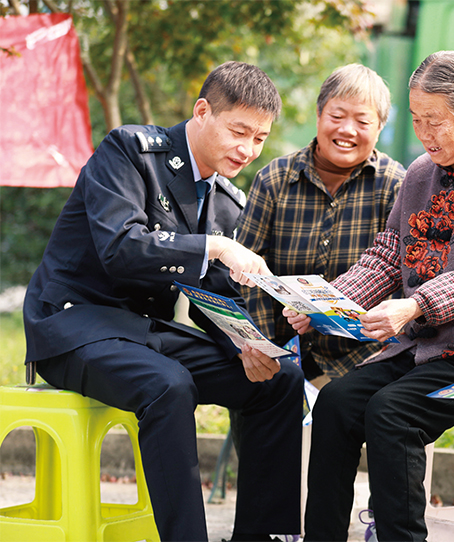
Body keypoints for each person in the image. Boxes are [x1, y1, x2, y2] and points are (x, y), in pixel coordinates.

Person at [23, 61, 304, 541]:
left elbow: (209, 296)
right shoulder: (129, 152)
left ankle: (262, 537)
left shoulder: (225, 201)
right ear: (202, 111)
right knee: (169, 385)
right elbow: (121, 248)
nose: (248, 149)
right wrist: (214, 246)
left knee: (280, 380)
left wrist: (248, 344)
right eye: (239, 131)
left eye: (259, 138)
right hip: (72, 327)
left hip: (140, 334)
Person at [291, 50, 454, 541]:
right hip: (424, 345)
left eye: (435, 121)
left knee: (392, 414)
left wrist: (413, 306)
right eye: (417, 120)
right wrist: (323, 304)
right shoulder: (419, 175)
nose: (424, 134)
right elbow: (386, 259)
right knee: (337, 404)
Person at [237, 63, 405, 384]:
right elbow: (248, 274)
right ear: (318, 114)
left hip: (365, 360)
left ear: (380, 127)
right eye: (337, 117)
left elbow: (403, 279)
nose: (347, 130)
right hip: (282, 353)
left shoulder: (396, 185)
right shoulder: (274, 179)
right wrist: (263, 347)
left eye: (363, 121)